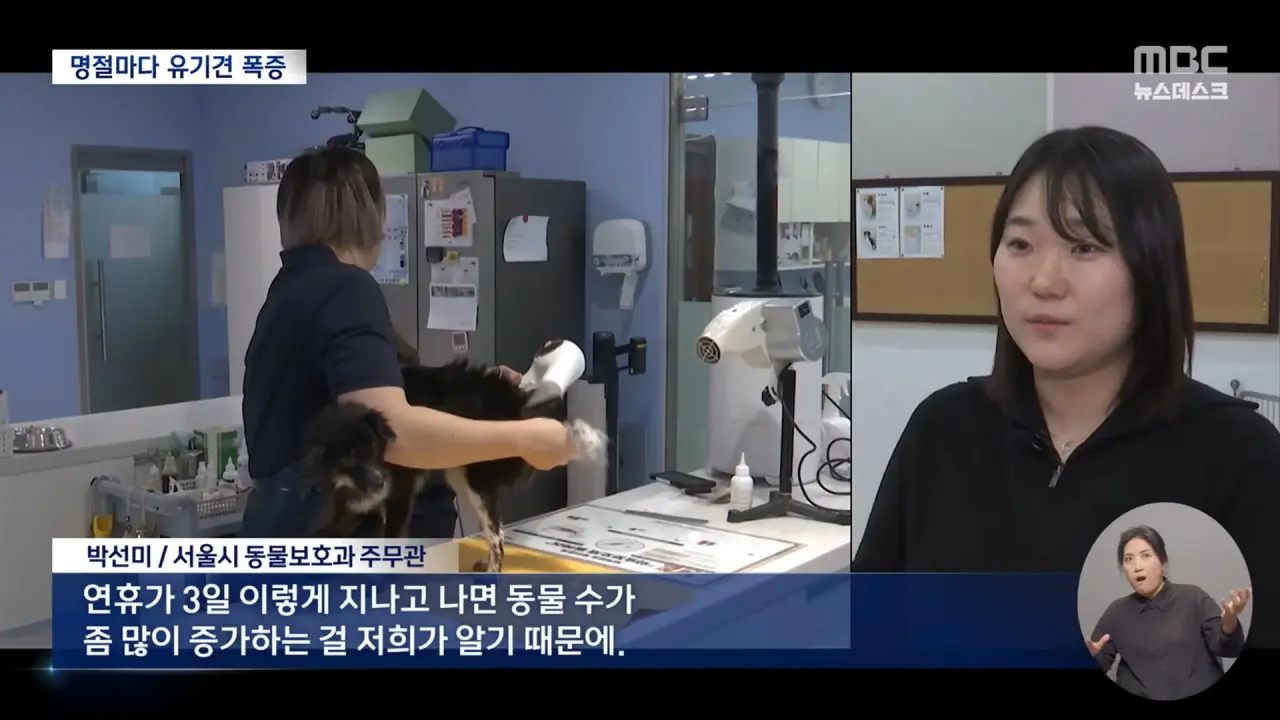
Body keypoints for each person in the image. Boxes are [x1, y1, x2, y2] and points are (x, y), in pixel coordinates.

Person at [850, 126, 1280, 648]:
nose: (1044, 281)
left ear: (1152, 265)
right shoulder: (942, 429)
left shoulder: (1240, 457)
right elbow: (869, 625)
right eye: (1021, 244)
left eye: (1085, 246)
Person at [239, 146, 576, 538]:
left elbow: (363, 400)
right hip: (320, 533)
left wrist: (478, 389)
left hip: (277, 525)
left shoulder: (290, 290)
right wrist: (526, 439)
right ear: (374, 217)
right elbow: (395, 431)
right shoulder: (346, 288)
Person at [1086, 525, 1249, 700]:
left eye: (1145, 555)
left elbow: (1228, 648)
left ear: (1163, 562)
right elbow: (1099, 659)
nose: (1136, 566)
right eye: (1128, 559)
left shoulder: (1192, 598)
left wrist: (1229, 622)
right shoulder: (1116, 612)